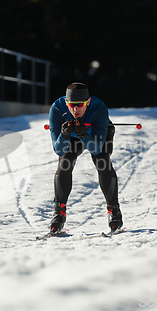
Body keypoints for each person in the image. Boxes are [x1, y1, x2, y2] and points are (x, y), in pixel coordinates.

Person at [48, 82, 122, 232]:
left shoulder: (99, 108)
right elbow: (58, 149)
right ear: (66, 102)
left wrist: (83, 134)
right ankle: (59, 213)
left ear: (87, 102)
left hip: (96, 135)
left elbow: (95, 149)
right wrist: (64, 135)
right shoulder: (57, 109)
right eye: (71, 105)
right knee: (65, 164)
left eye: (80, 104)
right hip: (72, 136)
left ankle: (114, 210)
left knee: (102, 162)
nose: (75, 109)